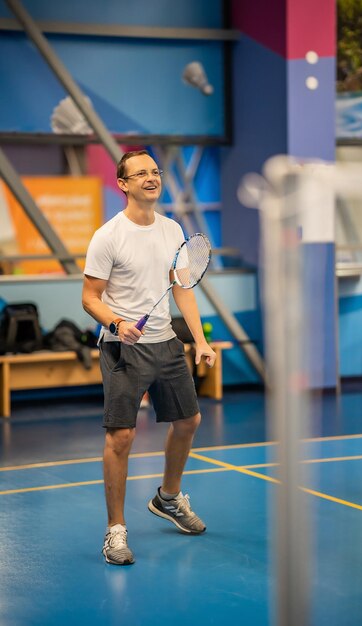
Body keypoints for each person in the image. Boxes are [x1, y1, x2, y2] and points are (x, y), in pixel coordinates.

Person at [82, 149, 216, 565]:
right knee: (121, 436)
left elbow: (182, 289)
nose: (151, 178)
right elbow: (90, 298)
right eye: (140, 173)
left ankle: (169, 497)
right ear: (123, 184)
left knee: (189, 420)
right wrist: (118, 323)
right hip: (124, 347)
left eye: (155, 171)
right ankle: (116, 531)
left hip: (165, 343)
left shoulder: (173, 229)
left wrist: (200, 340)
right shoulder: (108, 236)